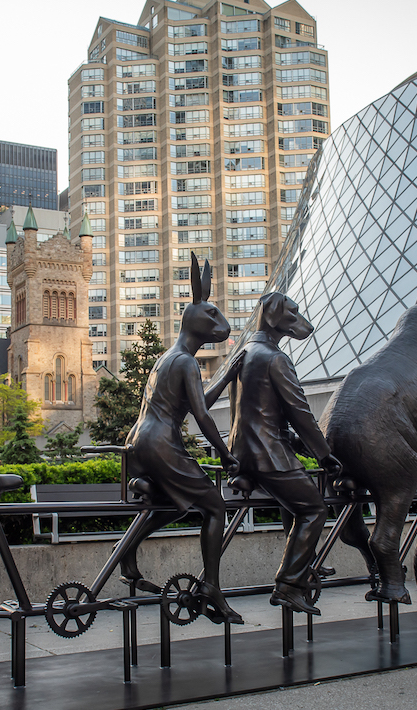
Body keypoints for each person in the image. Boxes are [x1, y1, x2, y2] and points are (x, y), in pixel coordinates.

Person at [119, 253, 244, 624]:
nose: (219, 324)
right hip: (161, 444)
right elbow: (202, 416)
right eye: (212, 317)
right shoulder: (187, 361)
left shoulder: (168, 358)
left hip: (138, 441)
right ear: (193, 318)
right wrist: (224, 453)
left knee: (173, 502)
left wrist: (224, 376)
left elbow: (195, 403)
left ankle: (126, 553)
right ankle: (212, 589)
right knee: (216, 508)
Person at [227, 292, 341, 615]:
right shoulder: (276, 358)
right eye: (293, 313)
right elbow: (300, 412)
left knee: (294, 497)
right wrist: (324, 454)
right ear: (276, 317)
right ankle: (289, 584)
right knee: (314, 509)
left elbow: (250, 410)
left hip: (243, 453)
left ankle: (304, 561)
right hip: (267, 455)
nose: (299, 320)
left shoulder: (246, 351)